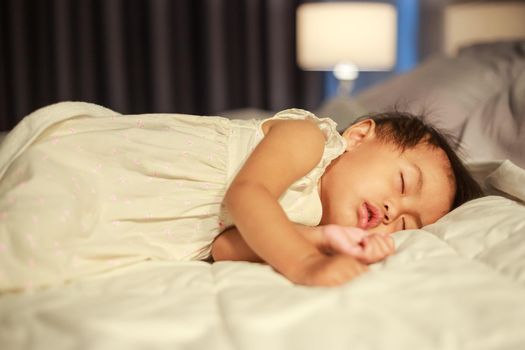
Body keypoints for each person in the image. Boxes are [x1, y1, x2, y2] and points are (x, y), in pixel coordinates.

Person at [0, 103, 483, 291]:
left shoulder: (306, 217)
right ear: (358, 137)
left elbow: (227, 246)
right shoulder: (308, 140)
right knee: (35, 225)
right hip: (112, 168)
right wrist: (306, 263)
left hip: (142, 221)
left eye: (406, 224)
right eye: (402, 185)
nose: (393, 212)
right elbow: (248, 194)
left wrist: (325, 237)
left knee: (46, 259)